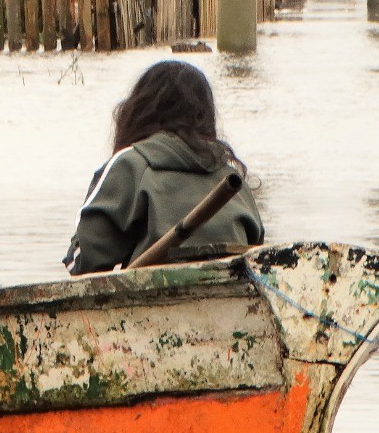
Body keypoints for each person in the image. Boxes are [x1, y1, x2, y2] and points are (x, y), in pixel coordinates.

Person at [64, 60, 263, 274]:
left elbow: (83, 263)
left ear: (137, 112)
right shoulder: (232, 177)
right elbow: (258, 249)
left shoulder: (130, 164)